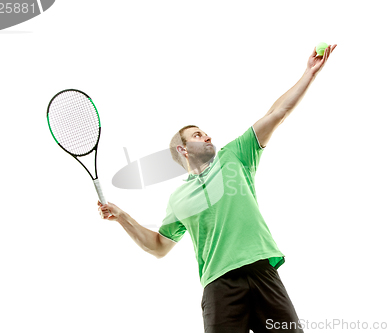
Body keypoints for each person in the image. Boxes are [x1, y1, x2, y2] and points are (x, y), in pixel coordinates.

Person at [98, 44, 337, 333]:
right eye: (197, 135)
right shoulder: (178, 199)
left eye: (205, 131)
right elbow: (159, 247)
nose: (207, 135)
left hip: (261, 272)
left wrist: (309, 74)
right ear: (183, 149)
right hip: (219, 286)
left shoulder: (234, 156)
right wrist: (122, 216)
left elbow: (277, 113)